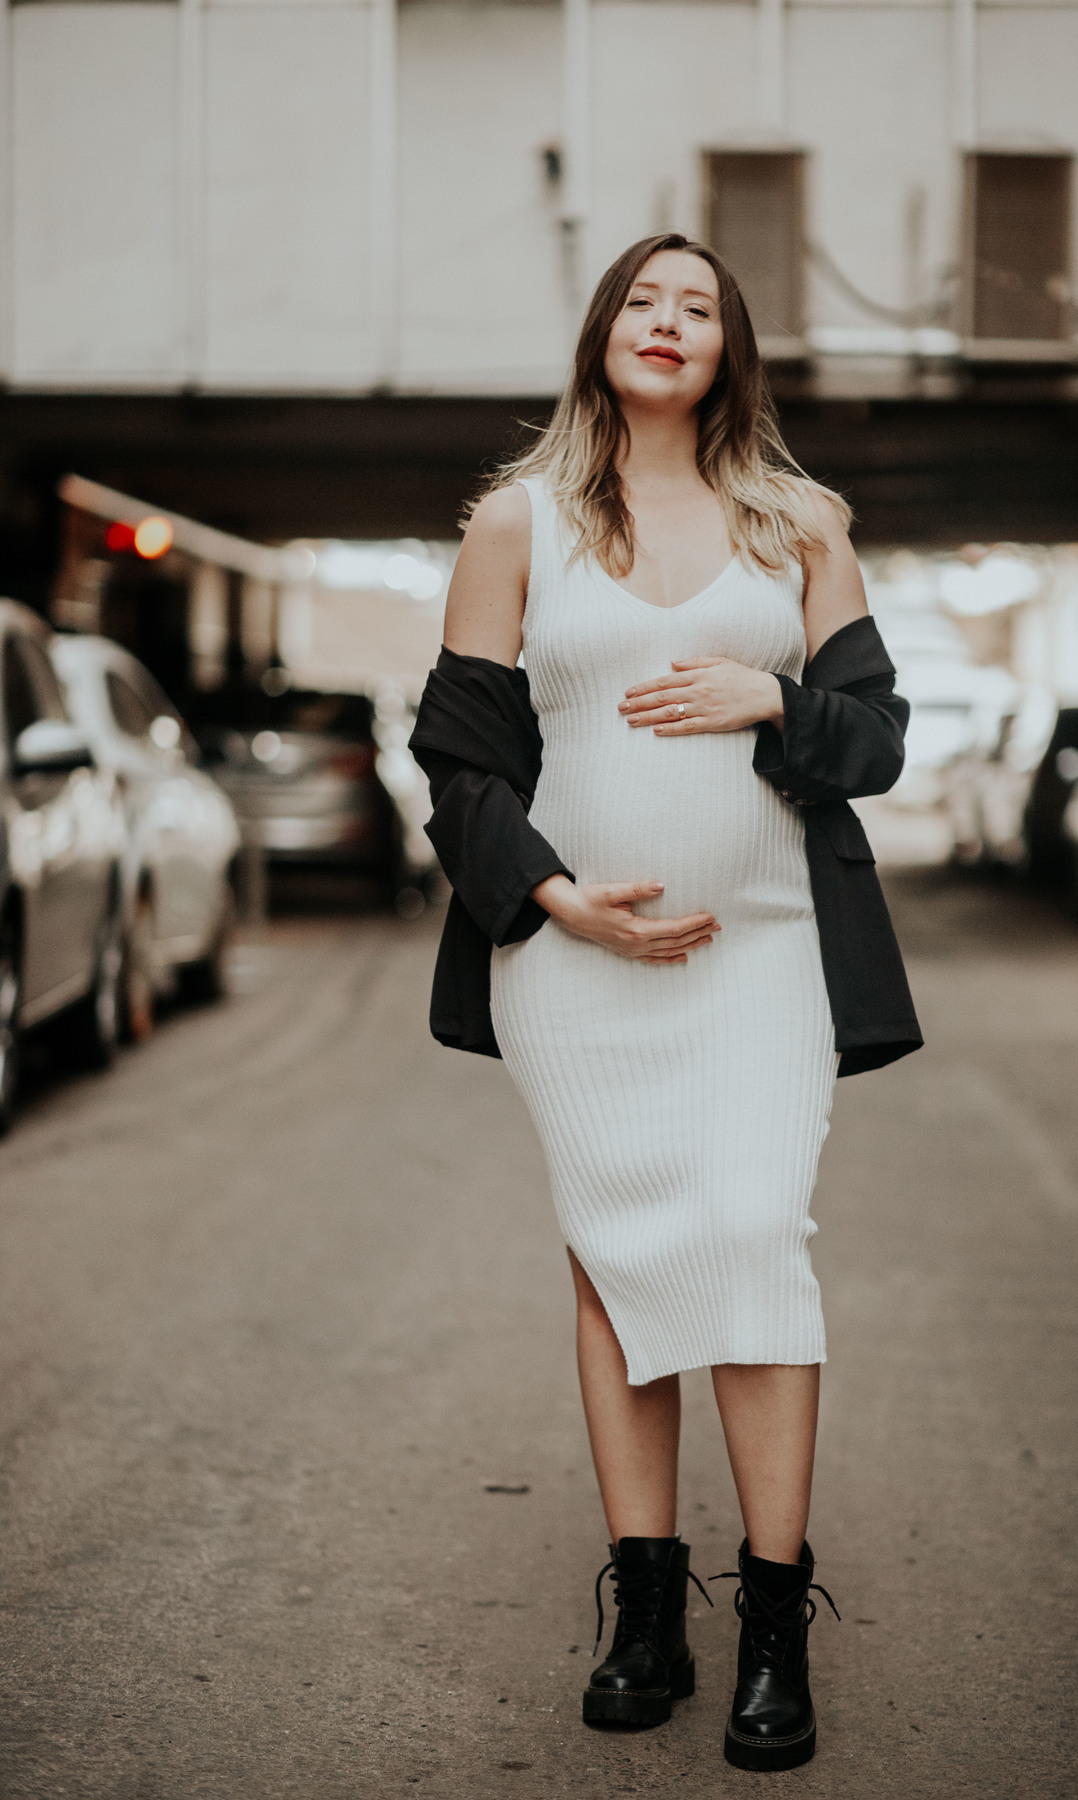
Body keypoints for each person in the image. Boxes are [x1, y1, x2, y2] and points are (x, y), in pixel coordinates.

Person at [410, 233, 920, 1773]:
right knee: (617, 1256)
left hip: (765, 950)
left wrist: (777, 696)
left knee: (753, 1232)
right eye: (645, 298)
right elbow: (459, 762)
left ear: (727, 352)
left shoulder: (801, 522)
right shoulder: (519, 522)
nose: (669, 321)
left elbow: (877, 737)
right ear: (602, 332)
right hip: (575, 963)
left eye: (700, 307)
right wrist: (555, 895)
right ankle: (647, 1612)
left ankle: (773, 1618)